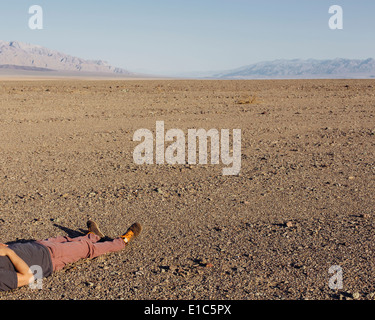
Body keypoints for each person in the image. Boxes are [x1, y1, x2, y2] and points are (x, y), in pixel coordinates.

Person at [0, 220, 142, 291]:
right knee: (86, 249)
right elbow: (28, 277)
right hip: (49, 259)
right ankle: (122, 241)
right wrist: (9, 252)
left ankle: (92, 236)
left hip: (38, 246)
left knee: (66, 239)